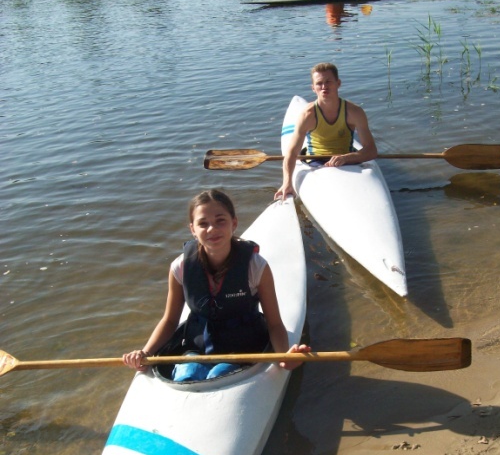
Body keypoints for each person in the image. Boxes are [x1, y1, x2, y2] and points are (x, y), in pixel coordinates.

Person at [123, 189, 310, 381]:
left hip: (243, 348)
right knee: (189, 374)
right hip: (197, 346)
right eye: (203, 224)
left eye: (220, 220)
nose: (212, 229)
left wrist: (283, 358)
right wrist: (144, 353)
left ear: (234, 223)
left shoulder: (255, 266)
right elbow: (170, 321)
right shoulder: (180, 267)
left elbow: (275, 323)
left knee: (218, 374)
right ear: (192, 230)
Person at [275, 63, 378, 200]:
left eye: (328, 81)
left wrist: (346, 158)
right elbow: (292, 153)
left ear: (338, 83)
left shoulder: (354, 112)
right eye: (319, 83)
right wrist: (287, 182)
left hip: (346, 160)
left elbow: (371, 150)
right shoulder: (308, 115)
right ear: (313, 88)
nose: (324, 87)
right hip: (316, 161)